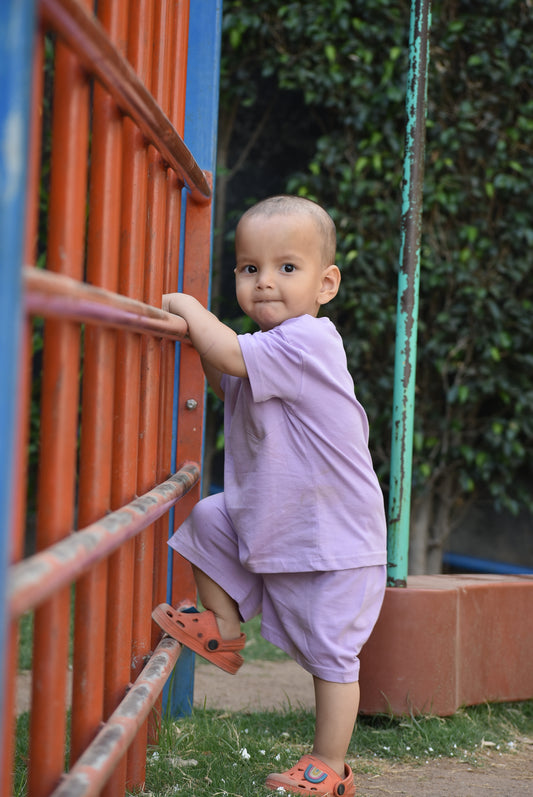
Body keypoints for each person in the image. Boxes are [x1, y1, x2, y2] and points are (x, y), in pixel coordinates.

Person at [153, 195, 387, 796]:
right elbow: (223, 369)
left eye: (288, 268)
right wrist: (204, 339)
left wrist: (186, 307)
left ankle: (330, 765)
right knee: (208, 515)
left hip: (337, 537)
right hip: (276, 520)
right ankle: (224, 629)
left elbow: (226, 351)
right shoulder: (263, 350)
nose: (265, 283)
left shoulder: (308, 341)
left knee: (332, 658)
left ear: (326, 284)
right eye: (249, 268)